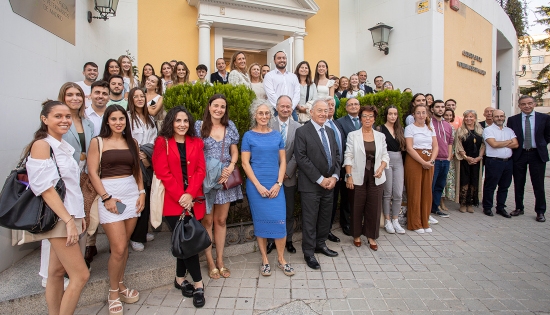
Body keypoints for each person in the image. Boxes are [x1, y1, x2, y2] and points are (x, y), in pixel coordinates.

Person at [25, 100, 89, 314]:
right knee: (81, 276)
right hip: (61, 217)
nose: (64, 120)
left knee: (56, 272)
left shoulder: (61, 145)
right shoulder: (43, 145)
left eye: (67, 116)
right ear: (45, 119)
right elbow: (45, 188)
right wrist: (70, 221)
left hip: (71, 214)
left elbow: (70, 187)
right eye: (58, 116)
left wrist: (80, 215)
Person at [87, 105, 145, 314]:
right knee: (118, 247)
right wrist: (106, 198)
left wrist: (142, 193)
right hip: (109, 195)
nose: (118, 122)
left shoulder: (132, 142)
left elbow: (137, 170)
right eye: (114, 119)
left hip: (131, 195)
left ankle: (120, 284)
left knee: (123, 247)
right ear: (107, 122)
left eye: (122, 119)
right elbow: (93, 173)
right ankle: (113, 292)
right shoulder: (98, 142)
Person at [40, 83, 96, 289]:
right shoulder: (51, 133)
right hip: (62, 179)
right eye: (69, 94)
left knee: (81, 222)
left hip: (82, 175)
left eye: (78, 95)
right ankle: (58, 273)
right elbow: (46, 185)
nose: (75, 98)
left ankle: (73, 264)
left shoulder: (87, 123)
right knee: (58, 229)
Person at [152, 106, 206, 308]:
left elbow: (201, 170)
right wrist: (181, 196)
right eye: (177, 121)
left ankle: (179, 279)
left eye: (185, 121)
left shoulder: (197, 142)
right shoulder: (162, 142)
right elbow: (162, 172)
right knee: (188, 243)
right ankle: (199, 284)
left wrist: (190, 194)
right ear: (170, 123)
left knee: (185, 241)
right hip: (173, 202)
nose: (182, 124)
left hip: (193, 200)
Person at [241, 100, 295, 277]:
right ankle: (265, 259)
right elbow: (245, 163)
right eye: (260, 113)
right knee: (261, 222)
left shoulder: (276, 135)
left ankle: (281, 259)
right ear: (254, 116)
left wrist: (278, 183)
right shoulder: (248, 136)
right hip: (256, 186)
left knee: (280, 221)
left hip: (275, 185)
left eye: (266, 113)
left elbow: (283, 161)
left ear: (270, 116)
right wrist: (258, 186)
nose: (264, 116)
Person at [195, 94, 243, 279]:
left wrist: (230, 167)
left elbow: (234, 150)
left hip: (225, 179)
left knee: (221, 221)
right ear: (209, 106)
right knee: (206, 221)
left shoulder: (230, 126)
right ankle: (210, 261)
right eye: (216, 105)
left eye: (222, 106)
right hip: (205, 180)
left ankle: (221, 260)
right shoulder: (199, 126)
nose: (219, 109)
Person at [294, 99, 341, 270]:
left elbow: (336, 155)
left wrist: (334, 177)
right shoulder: (302, 131)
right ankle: (308, 252)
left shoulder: (329, 131)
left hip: (330, 184)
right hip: (311, 185)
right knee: (310, 220)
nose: (323, 113)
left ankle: (320, 244)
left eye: (326, 110)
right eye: (319, 110)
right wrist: (321, 179)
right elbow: (302, 158)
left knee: (325, 217)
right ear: (311, 112)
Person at [344, 106, 389, 249]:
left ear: (374, 118)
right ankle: (356, 235)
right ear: (360, 118)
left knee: (374, 206)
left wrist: (381, 168)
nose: (367, 119)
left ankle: (371, 236)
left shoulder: (380, 136)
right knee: (357, 205)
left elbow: (385, 156)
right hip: (357, 175)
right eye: (364, 116)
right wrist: (349, 176)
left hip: (376, 175)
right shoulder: (353, 135)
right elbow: (348, 155)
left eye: (370, 116)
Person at [265, 96, 301, 254]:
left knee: (288, 210)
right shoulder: (268, 124)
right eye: (282, 106)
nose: (286, 109)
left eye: (288, 106)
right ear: (277, 107)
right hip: (270, 176)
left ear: (292, 108)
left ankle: (289, 240)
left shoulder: (298, 127)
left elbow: (298, 153)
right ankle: (272, 240)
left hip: (289, 177)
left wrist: (286, 172)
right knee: (271, 210)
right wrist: (275, 173)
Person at [507, 95, 550, 222]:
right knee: (518, 183)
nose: (527, 106)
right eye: (524, 104)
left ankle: (540, 211)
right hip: (519, 154)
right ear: (519, 106)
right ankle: (519, 207)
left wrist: (540, 144)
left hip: (536, 154)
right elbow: (511, 136)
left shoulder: (545, 118)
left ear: (534, 104)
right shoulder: (512, 120)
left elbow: (548, 135)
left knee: (538, 184)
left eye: (529, 103)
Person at [127, 88, 157, 252]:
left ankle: (142, 231)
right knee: (137, 198)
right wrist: (138, 155)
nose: (139, 99)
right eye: (135, 96)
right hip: (133, 161)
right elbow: (126, 138)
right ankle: (134, 236)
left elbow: (154, 141)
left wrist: (146, 156)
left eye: (141, 96)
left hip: (147, 161)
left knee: (146, 195)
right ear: (130, 99)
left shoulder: (150, 118)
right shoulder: (127, 117)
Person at [404, 104, 438, 233]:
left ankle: (425, 221)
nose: (421, 115)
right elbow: (409, 148)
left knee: (427, 192)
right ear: (414, 115)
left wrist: (431, 160)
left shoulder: (430, 128)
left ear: (427, 114)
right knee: (415, 191)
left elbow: (435, 146)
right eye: (418, 113)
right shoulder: (410, 128)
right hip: (415, 160)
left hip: (429, 160)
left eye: (423, 112)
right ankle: (415, 223)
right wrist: (423, 161)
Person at [482, 109, 518, 217]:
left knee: (504, 186)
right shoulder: (488, 130)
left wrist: (500, 143)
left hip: (508, 162)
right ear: (492, 118)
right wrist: (508, 142)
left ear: (504, 117)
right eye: (497, 116)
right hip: (494, 162)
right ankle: (487, 207)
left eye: (501, 116)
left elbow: (516, 144)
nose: (499, 118)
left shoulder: (509, 130)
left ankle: (500, 207)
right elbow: (493, 144)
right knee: (490, 185)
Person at [378, 106, 406, 234]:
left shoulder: (400, 129)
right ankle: (387, 220)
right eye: (390, 114)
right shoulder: (380, 129)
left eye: (395, 114)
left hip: (399, 160)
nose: (393, 116)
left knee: (398, 193)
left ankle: (396, 219)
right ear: (386, 115)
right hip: (386, 160)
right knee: (387, 192)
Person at [335, 98, 361, 236]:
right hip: (347, 164)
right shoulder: (340, 122)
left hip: (363, 165)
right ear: (346, 108)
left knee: (360, 195)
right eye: (350, 104)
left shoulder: (365, 121)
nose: (353, 106)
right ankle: (346, 223)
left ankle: (358, 222)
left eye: (356, 104)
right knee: (347, 196)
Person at [454, 110, 485, 213]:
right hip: (464, 160)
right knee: (464, 181)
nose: (469, 119)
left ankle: (470, 203)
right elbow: (458, 145)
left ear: (475, 118)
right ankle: (463, 203)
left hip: (476, 160)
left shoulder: (480, 130)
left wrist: (479, 157)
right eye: (466, 117)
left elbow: (483, 145)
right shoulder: (460, 130)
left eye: (471, 117)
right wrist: (466, 157)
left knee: (474, 181)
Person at [324, 97, 345, 243]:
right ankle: (320, 233)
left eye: (333, 105)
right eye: (327, 105)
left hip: (337, 173)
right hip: (321, 175)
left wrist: (338, 172)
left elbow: (340, 150)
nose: (331, 107)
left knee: (331, 205)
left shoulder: (337, 124)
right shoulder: (313, 126)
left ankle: (328, 230)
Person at [430, 100, 453, 218]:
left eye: (442, 107)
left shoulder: (447, 125)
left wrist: (448, 157)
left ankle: (435, 208)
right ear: (432, 109)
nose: (440, 109)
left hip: (445, 160)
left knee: (440, 185)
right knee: (431, 186)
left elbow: (450, 142)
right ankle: (427, 210)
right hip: (434, 160)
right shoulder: (429, 124)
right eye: (437, 107)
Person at [263, 51, 300, 119]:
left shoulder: (293, 76)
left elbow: (297, 93)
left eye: (284, 58)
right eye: (279, 58)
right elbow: (271, 94)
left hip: (292, 111)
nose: (282, 60)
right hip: (275, 110)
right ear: (274, 61)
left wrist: (290, 108)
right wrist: (281, 108)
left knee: (295, 129)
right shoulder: (269, 76)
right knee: (275, 129)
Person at [441, 108, 457, 212]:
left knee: (448, 181)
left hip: (450, 157)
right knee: (440, 180)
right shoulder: (439, 126)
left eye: (450, 115)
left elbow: (454, 143)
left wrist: (452, 153)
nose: (448, 117)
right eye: (446, 115)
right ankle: (440, 202)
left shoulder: (453, 128)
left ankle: (444, 200)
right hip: (441, 156)